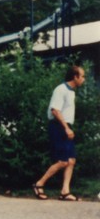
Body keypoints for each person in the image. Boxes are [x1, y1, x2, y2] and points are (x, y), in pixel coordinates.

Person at [33, 65, 86, 201]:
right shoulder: (61, 89)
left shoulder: (71, 91)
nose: (84, 79)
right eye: (82, 76)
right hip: (58, 126)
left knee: (71, 161)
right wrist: (66, 128)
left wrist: (68, 127)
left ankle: (65, 191)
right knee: (63, 161)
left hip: (66, 125)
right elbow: (55, 110)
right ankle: (39, 184)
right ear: (75, 77)